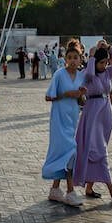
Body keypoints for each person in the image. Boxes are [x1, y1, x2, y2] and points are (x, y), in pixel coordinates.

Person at [74, 46, 112, 202]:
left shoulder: (108, 72)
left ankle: (89, 187)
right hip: (92, 114)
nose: (104, 65)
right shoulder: (87, 74)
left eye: (106, 62)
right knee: (97, 149)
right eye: (101, 62)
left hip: (106, 113)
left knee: (99, 149)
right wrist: (91, 57)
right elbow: (91, 73)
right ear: (94, 61)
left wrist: (111, 48)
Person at [43, 42, 86, 206]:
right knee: (69, 153)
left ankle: (55, 189)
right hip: (59, 119)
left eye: (76, 57)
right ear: (65, 59)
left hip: (73, 118)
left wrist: (81, 95)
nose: (73, 60)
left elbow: (82, 100)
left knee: (66, 153)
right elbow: (49, 97)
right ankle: (70, 191)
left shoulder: (82, 76)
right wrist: (66, 94)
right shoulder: (59, 74)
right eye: (69, 57)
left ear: (80, 58)